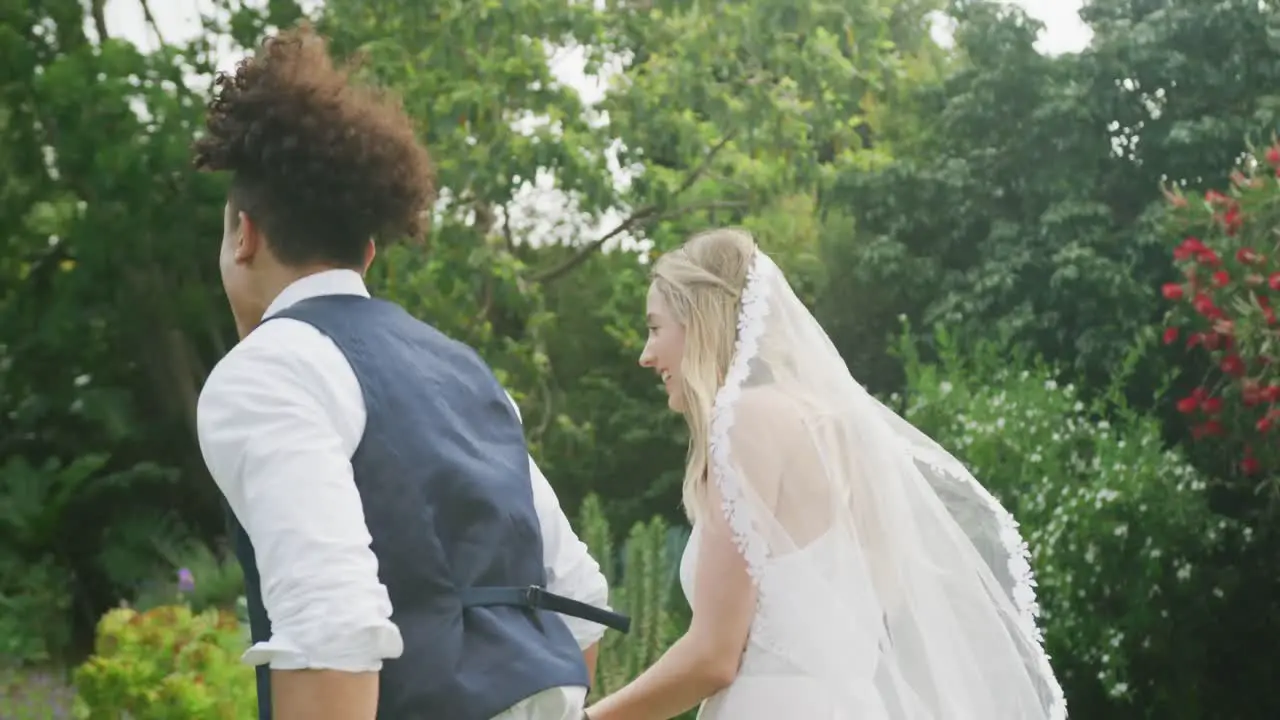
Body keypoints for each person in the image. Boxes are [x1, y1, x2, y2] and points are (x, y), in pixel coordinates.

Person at [191, 25, 625, 720]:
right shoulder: (467, 373)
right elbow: (580, 605)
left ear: (244, 236)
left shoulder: (267, 372)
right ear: (367, 252)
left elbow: (331, 629)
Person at [582, 228, 1067, 720]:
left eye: (655, 328)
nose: (646, 354)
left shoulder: (745, 419)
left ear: (700, 319)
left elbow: (713, 656)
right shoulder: (829, 427)